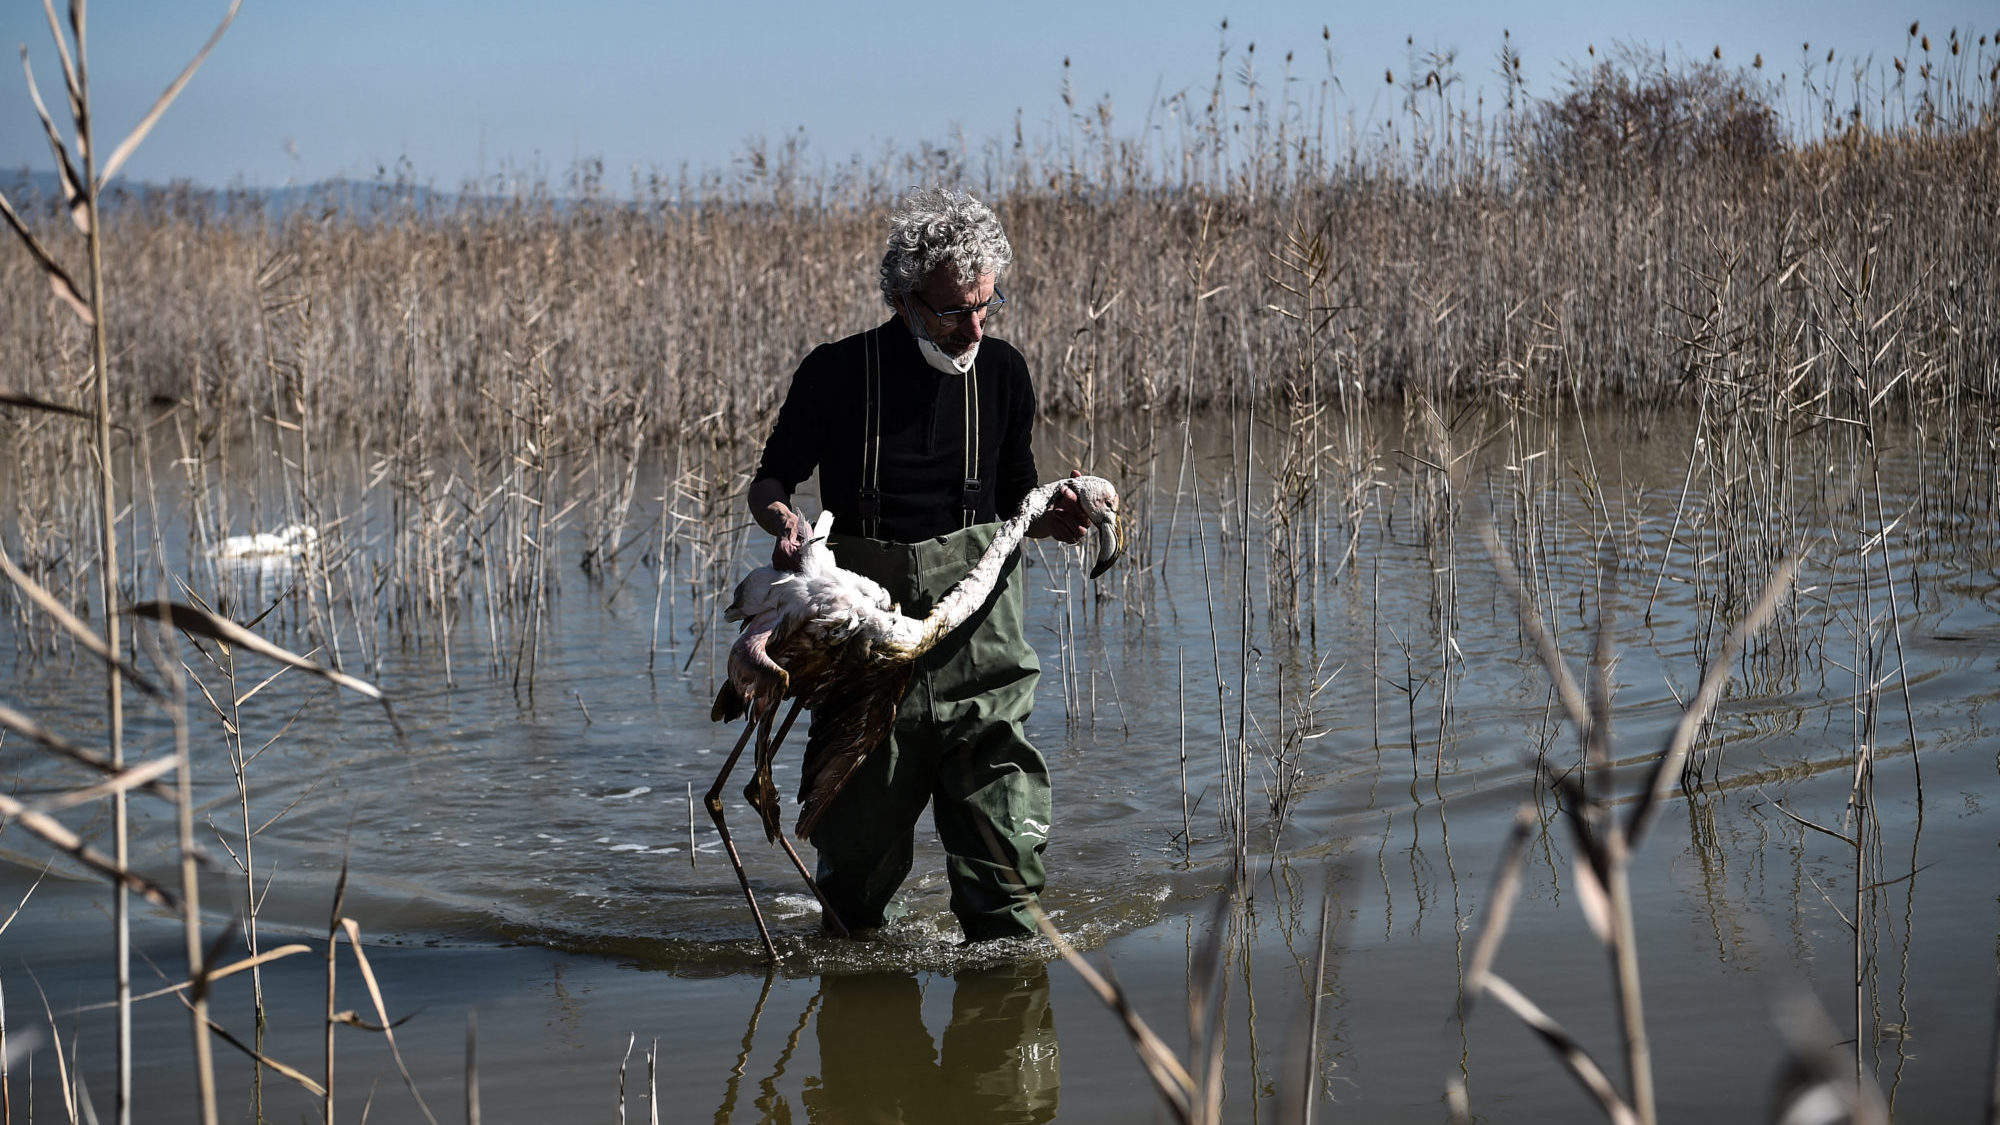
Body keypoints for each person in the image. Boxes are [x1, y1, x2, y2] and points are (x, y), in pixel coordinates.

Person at [746, 186, 1095, 942]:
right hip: (866, 667)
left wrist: (1051, 521)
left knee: (1009, 893)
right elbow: (769, 480)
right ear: (903, 301)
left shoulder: (1004, 374)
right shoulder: (836, 374)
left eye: (985, 306)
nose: (972, 327)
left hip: (984, 662)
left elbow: (1012, 498)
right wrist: (785, 523)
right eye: (950, 311)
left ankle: (1008, 1033)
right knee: (853, 907)